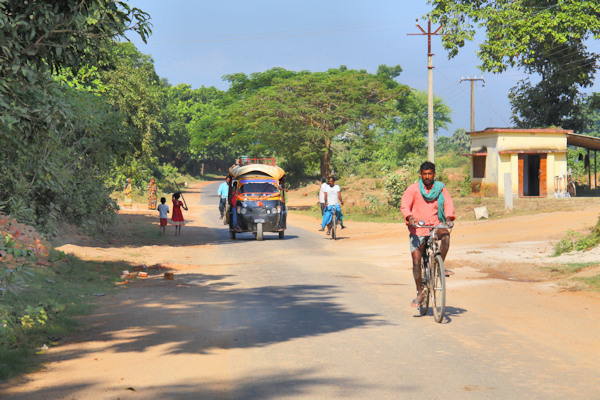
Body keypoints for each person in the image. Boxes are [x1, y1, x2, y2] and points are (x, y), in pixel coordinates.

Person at [400, 161, 455, 309]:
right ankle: (419, 292)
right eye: (424, 174)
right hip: (418, 228)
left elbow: (449, 203)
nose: (427, 176)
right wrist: (410, 218)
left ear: (434, 174)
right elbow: (405, 205)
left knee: (446, 237)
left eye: (430, 174)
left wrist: (449, 218)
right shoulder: (413, 189)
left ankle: (439, 266)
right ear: (421, 175)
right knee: (417, 261)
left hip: (436, 224)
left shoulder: (440, 189)